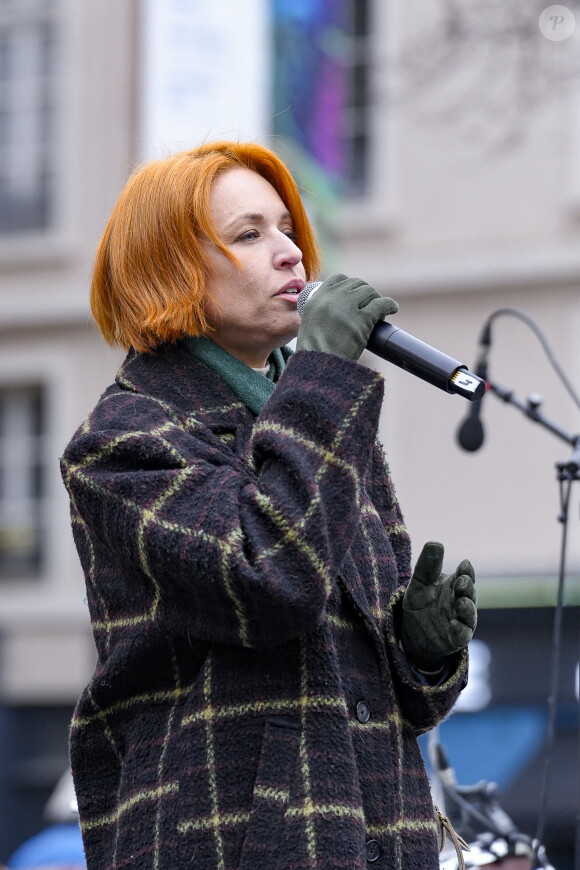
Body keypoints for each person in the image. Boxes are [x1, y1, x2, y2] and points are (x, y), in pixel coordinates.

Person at [60, 140, 477, 870]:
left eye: (286, 228)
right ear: (170, 267)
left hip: (373, 836)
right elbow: (269, 582)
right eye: (249, 235)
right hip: (228, 839)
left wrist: (420, 654)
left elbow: (371, 700)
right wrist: (320, 377)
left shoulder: (318, 422)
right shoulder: (124, 438)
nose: (290, 253)